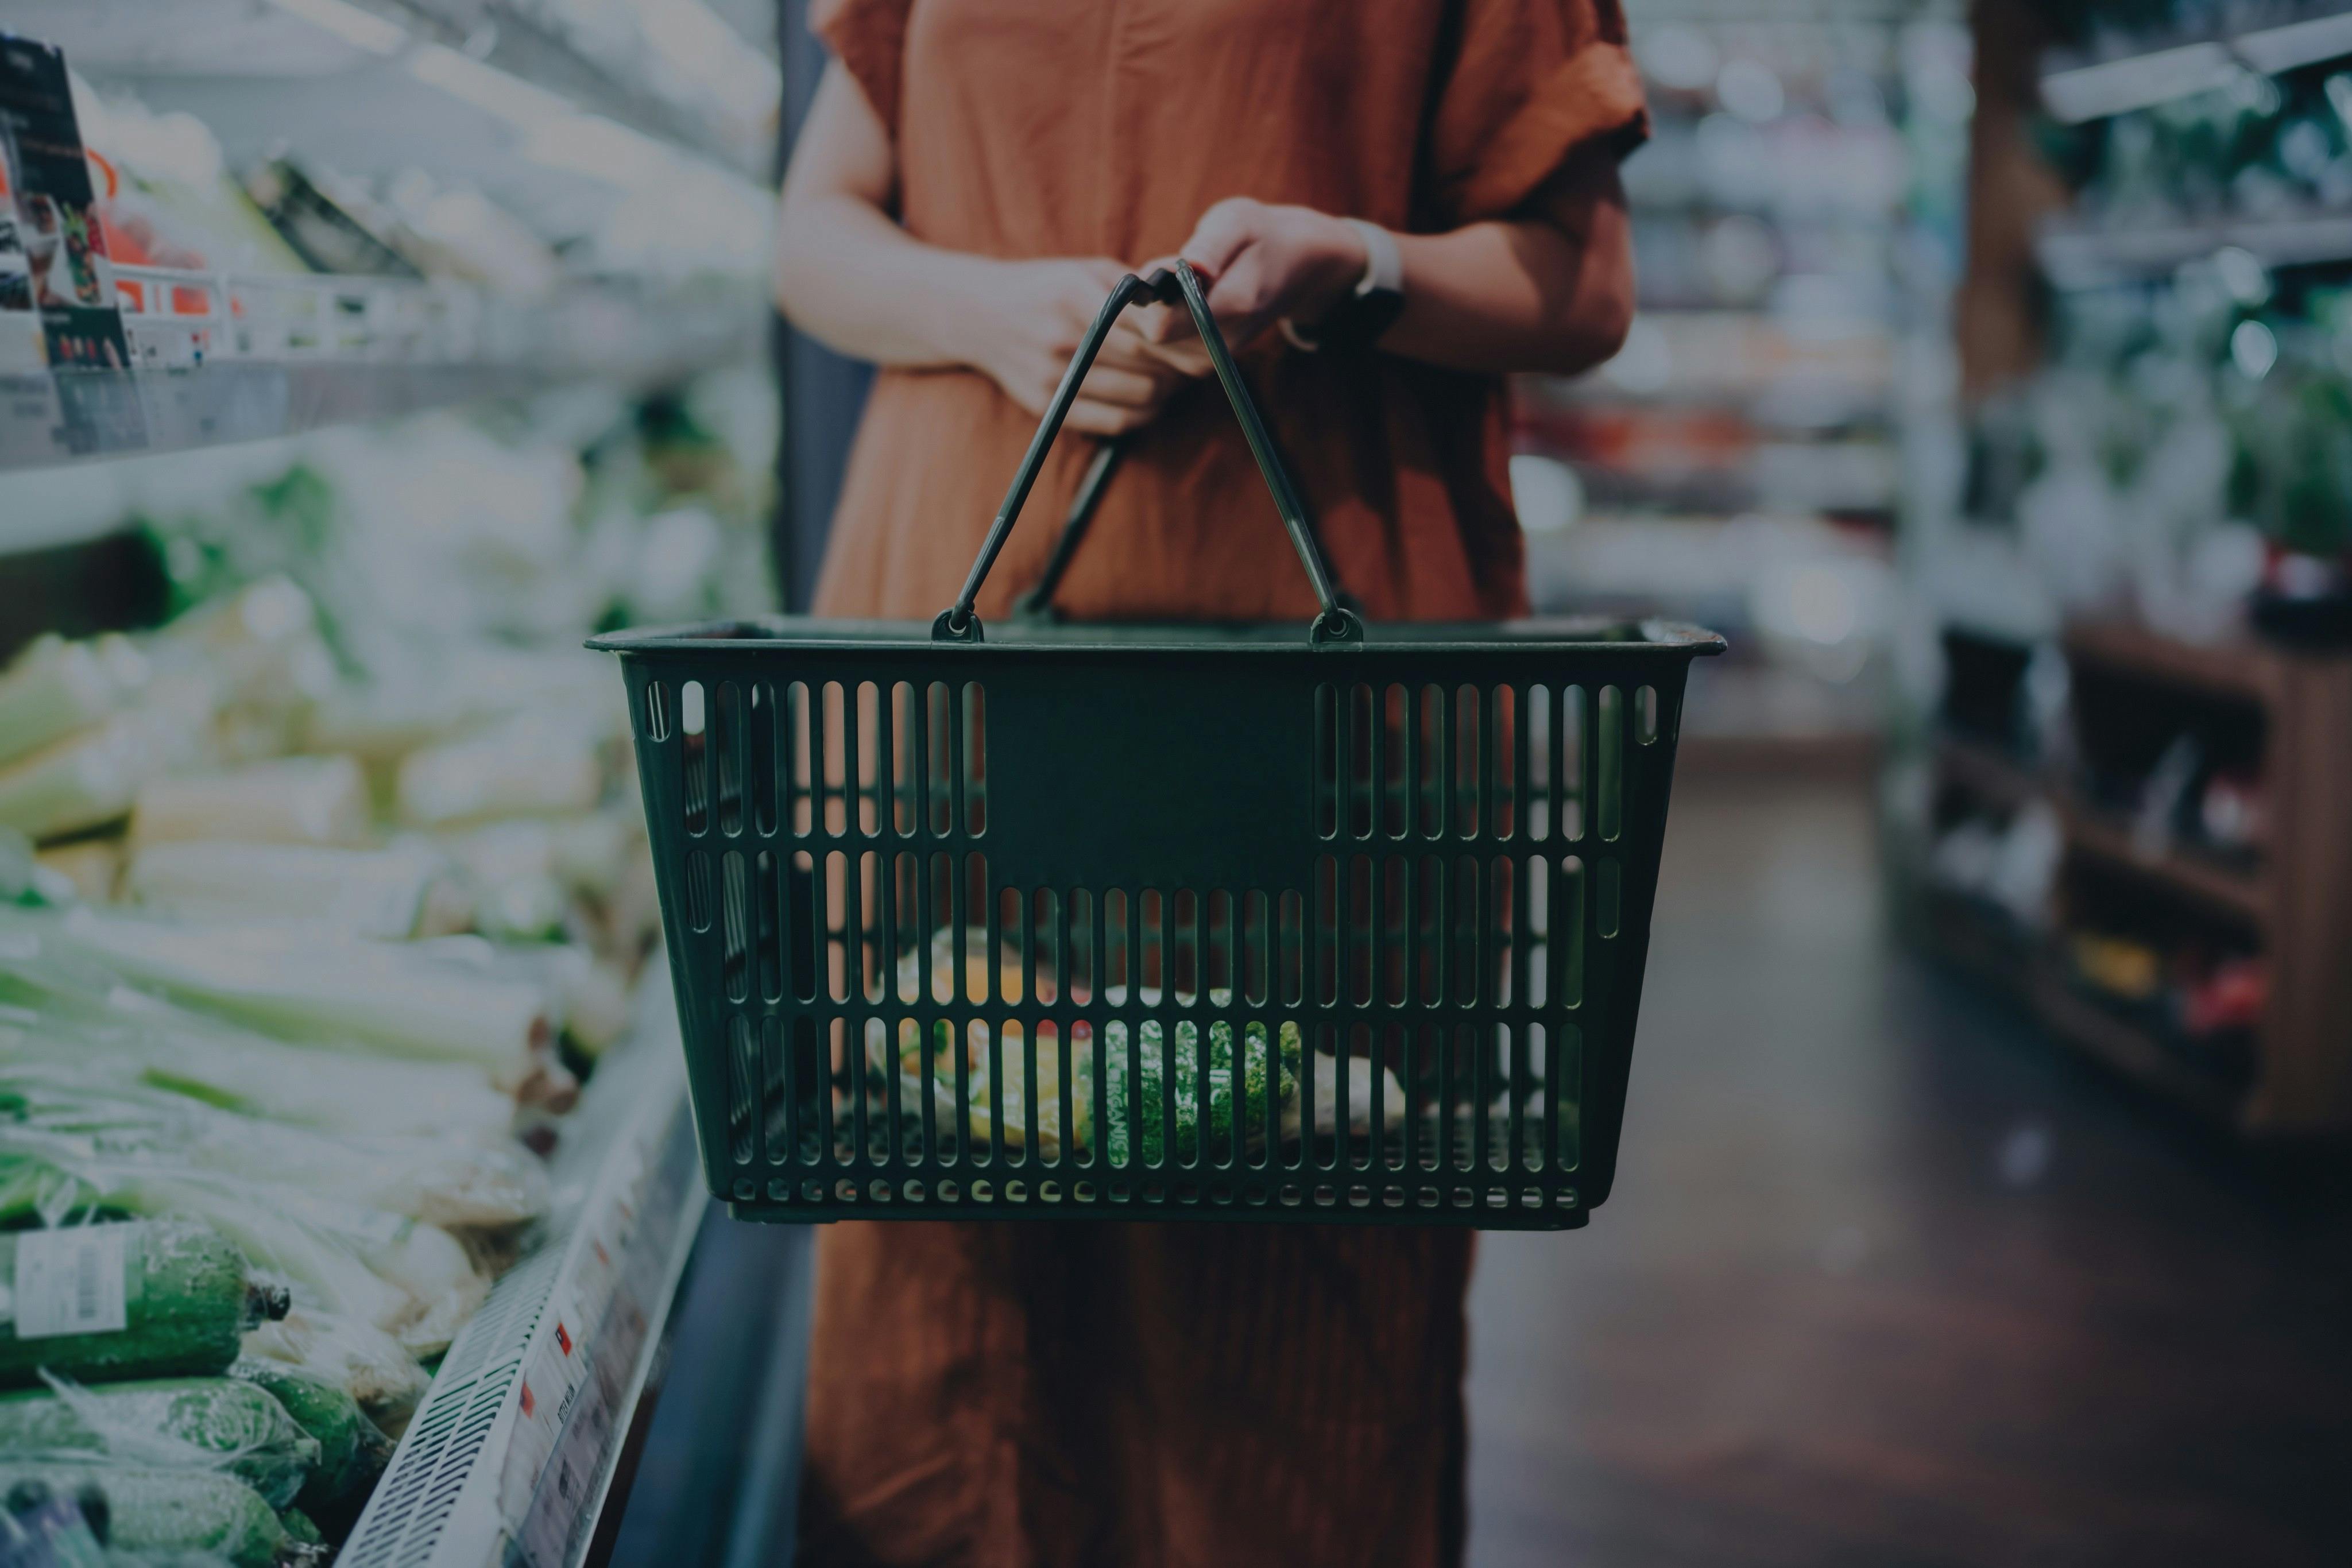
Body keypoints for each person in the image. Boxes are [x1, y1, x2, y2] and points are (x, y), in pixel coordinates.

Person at [772, 2, 1644, 1562]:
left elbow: (1582, 285)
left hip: (1312, 672)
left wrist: (1357, 266)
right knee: (938, 1245)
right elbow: (813, 232)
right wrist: (983, 309)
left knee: (1302, 1250)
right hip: (955, 655)